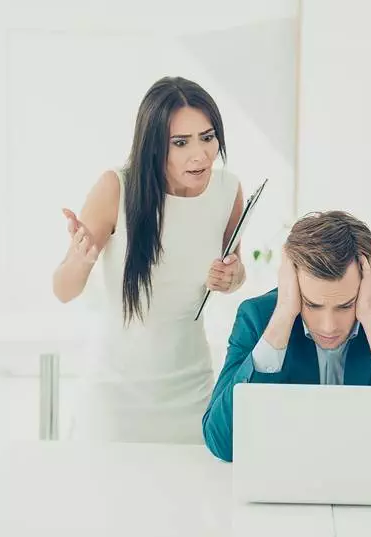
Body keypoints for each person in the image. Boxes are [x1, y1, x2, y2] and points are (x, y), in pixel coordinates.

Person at [52, 76, 246, 444]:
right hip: (116, 394)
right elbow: (62, 290)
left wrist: (231, 276)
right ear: (154, 146)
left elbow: (236, 271)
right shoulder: (116, 188)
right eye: (180, 143)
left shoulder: (228, 190)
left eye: (208, 137)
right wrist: (81, 260)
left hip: (192, 388)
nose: (200, 154)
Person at [202, 211, 371, 463]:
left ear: (368, 282)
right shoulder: (257, 317)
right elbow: (222, 443)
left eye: (345, 306)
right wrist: (282, 316)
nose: (328, 327)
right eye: (312, 305)